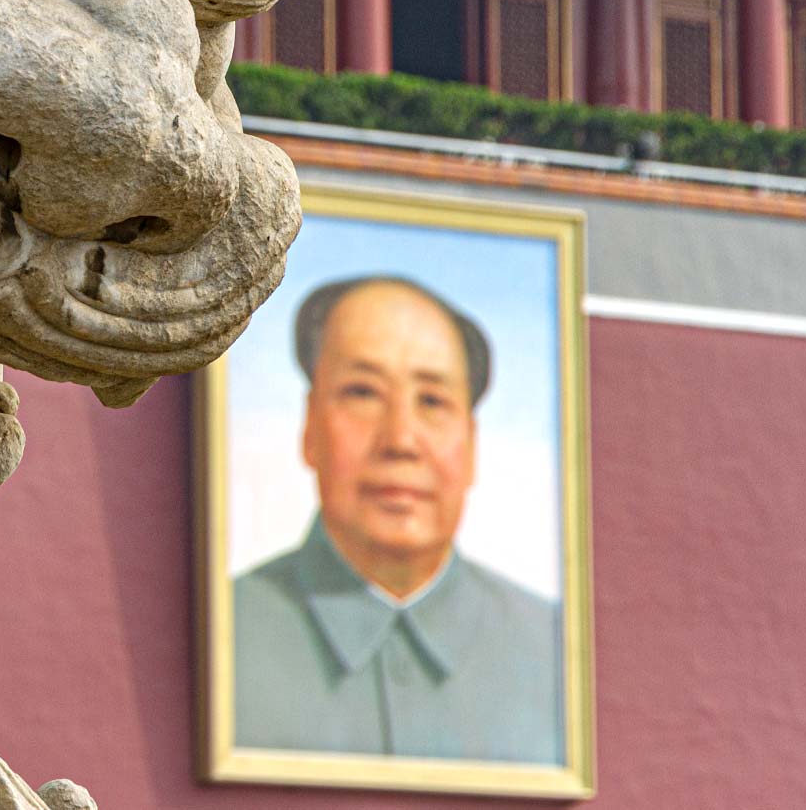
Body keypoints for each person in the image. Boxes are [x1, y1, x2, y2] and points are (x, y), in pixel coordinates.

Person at [231, 276, 563, 764]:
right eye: (363, 392)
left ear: (471, 445)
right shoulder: (225, 633)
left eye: (432, 401)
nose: (400, 440)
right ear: (309, 426)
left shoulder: (558, 653)